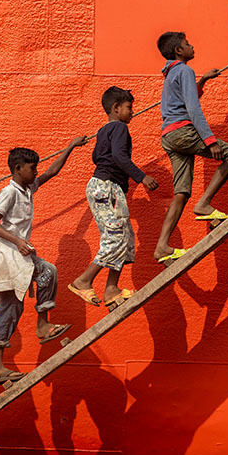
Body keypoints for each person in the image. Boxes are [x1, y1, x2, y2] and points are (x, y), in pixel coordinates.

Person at [0, 138, 88, 384]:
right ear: (18, 168)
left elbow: (52, 171)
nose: (36, 171)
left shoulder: (28, 189)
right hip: (8, 255)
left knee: (47, 272)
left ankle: (43, 325)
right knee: (11, 305)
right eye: (32, 167)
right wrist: (18, 241)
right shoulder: (9, 192)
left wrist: (71, 146)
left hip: (21, 254)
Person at [153, 32, 228, 264]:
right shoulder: (184, 70)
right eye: (187, 44)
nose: (192, 46)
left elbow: (182, 99)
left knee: (181, 193)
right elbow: (192, 109)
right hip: (183, 131)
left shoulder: (172, 72)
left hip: (169, 135)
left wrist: (202, 82)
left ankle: (162, 247)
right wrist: (210, 140)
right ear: (179, 51)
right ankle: (203, 204)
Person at [68, 86, 158, 310]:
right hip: (106, 187)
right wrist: (141, 177)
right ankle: (84, 281)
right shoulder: (119, 128)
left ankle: (111, 289)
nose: (133, 112)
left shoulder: (104, 131)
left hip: (108, 188)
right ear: (116, 108)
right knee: (115, 238)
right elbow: (118, 156)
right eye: (129, 107)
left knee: (125, 239)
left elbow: (97, 156)